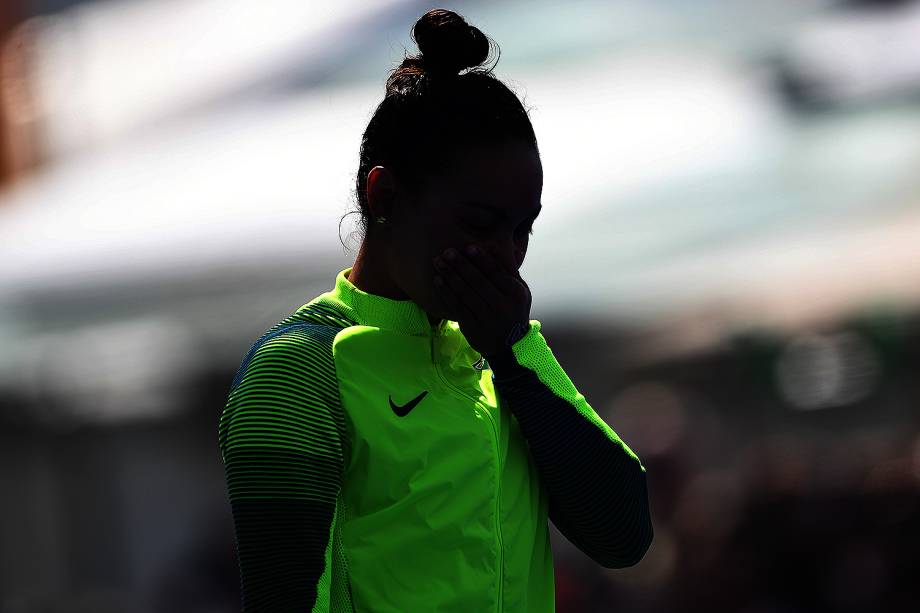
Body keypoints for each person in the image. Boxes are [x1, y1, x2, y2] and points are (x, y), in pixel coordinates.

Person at [217, 8, 653, 612]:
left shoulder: (501, 353)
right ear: (384, 196)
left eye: (522, 229)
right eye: (479, 225)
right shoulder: (297, 372)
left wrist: (514, 351)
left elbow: (624, 534)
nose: (506, 258)